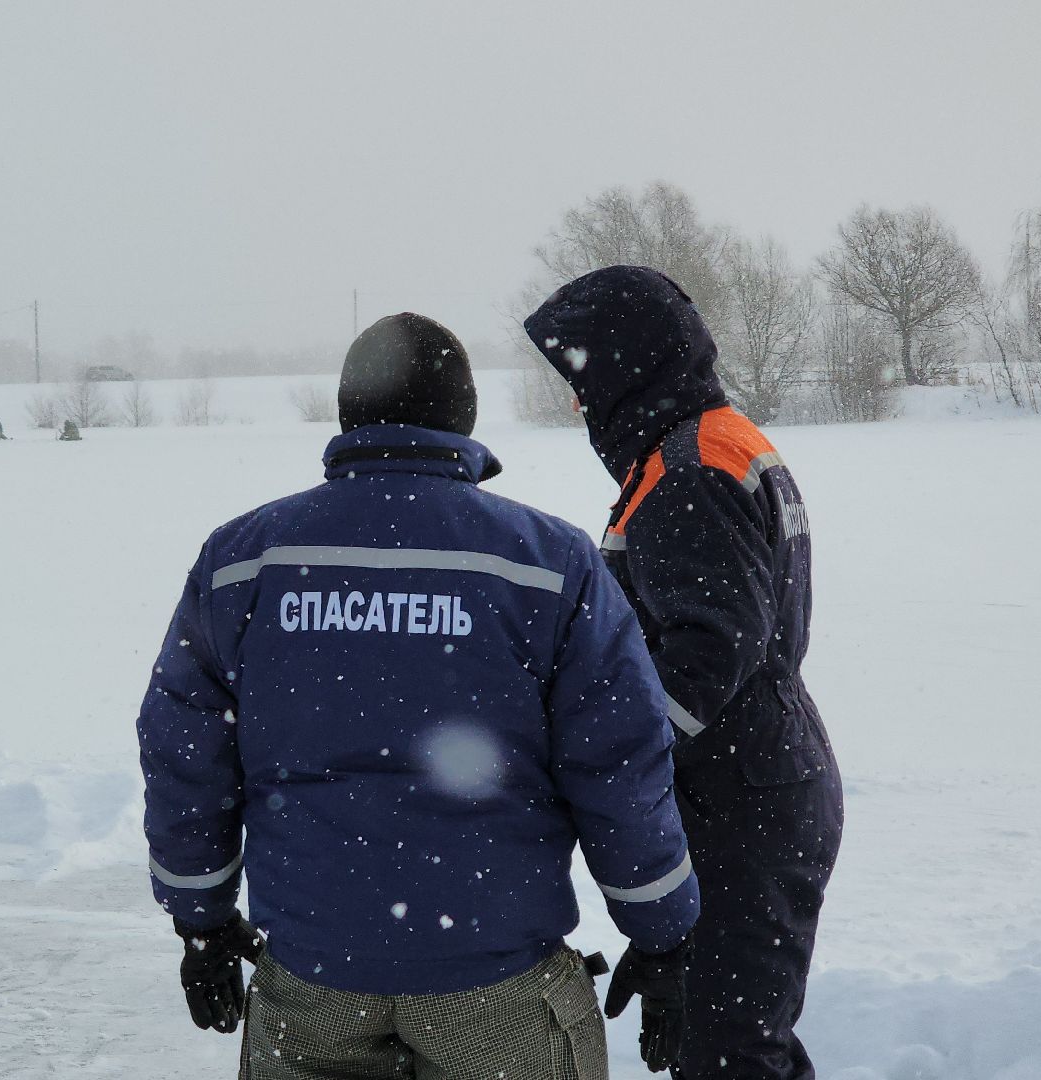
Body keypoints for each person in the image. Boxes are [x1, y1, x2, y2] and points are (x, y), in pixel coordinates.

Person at [137, 313, 699, 1078]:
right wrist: (661, 929)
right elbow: (619, 764)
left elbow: (184, 752)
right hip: (497, 989)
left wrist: (199, 920)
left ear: (348, 417)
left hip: (313, 980)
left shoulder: (244, 560)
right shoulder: (547, 564)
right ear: (463, 419)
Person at [526, 267, 843, 1079]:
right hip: (757, 774)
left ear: (627, 363)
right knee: (736, 1044)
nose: (575, 401)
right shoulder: (710, 440)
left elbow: (709, 652)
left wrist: (610, 756)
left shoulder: (691, 468)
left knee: (732, 1056)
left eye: (580, 374)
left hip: (743, 795)